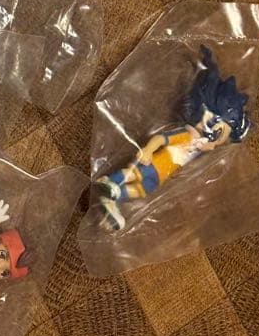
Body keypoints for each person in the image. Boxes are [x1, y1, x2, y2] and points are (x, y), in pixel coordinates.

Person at [97, 45, 251, 231]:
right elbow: (162, 138)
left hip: (162, 174)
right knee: (136, 173)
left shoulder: (197, 147)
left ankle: (114, 197)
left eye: (217, 139)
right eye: (214, 134)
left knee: (143, 190)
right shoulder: (186, 136)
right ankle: (111, 183)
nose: (212, 143)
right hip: (154, 164)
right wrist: (148, 150)